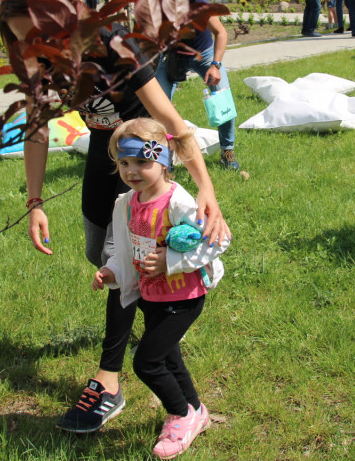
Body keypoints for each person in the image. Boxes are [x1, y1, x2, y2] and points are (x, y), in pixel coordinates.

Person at [0, 0, 229, 435]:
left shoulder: (112, 47)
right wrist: (35, 201)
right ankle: (156, 345)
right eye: (22, 38)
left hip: (140, 156)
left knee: (128, 262)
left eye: (41, 34)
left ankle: (109, 380)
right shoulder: (34, 63)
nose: (34, 47)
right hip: (103, 154)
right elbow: (39, 130)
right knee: (103, 259)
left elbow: (172, 124)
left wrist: (206, 189)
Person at [92, 117, 227, 459]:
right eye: (124, 162)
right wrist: (111, 271)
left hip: (183, 296)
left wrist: (171, 262)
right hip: (151, 296)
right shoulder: (127, 202)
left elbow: (217, 240)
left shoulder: (179, 202)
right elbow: (128, 249)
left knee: (147, 362)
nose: (132, 171)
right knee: (169, 357)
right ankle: (196, 410)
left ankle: (180, 414)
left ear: (164, 161)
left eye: (142, 162)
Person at [155, 1, 240, 171]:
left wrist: (215, 65)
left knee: (223, 98)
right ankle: (164, 156)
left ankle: (227, 151)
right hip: (174, 56)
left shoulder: (200, 6)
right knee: (157, 105)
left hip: (205, 54)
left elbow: (221, 32)